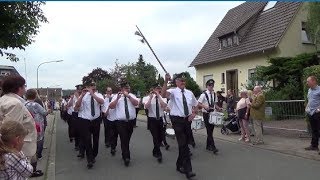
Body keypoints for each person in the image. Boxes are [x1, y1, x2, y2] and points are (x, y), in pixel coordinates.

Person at [0, 75, 39, 177]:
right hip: (18, 149)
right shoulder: (15, 103)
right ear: (19, 88)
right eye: (24, 86)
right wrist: (17, 154)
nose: (25, 89)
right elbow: (11, 131)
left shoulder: (4, 99)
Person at [161, 73, 198, 179]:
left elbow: (196, 105)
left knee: (184, 144)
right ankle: (188, 170)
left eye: (184, 81)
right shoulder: (173, 91)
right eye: (180, 81)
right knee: (183, 144)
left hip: (187, 120)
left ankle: (179, 165)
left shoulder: (189, 93)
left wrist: (194, 113)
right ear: (176, 82)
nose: (182, 82)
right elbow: (163, 94)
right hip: (177, 120)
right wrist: (165, 81)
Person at [108, 81, 139, 167]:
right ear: (121, 89)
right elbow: (111, 106)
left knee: (127, 139)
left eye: (128, 87)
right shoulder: (116, 96)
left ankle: (124, 152)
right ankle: (126, 157)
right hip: (120, 122)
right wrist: (117, 98)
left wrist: (128, 96)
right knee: (124, 138)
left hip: (131, 122)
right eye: (126, 88)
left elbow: (136, 103)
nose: (128, 89)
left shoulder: (132, 95)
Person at [75, 82, 104, 169]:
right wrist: (82, 96)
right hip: (85, 120)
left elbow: (102, 102)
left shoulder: (99, 95)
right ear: (87, 87)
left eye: (94, 86)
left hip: (96, 120)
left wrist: (93, 95)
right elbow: (76, 107)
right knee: (87, 140)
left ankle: (94, 155)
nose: (93, 87)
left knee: (96, 139)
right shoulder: (83, 96)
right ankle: (89, 159)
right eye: (91, 86)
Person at [143, 83, 167, 163]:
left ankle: (155, 150)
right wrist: (150, 98)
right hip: (152, 119)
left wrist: (159, 96)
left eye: (159, 89)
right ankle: (159, 154)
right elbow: (146, 107)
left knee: (160, 137)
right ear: (153, 89)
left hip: (160, 119)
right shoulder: (146, 98)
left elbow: (164, 106)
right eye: (156, 88)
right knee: (155, 137)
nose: (158, 90)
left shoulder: (162, 98)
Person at [25, 89, 51, 161]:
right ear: (35, 96)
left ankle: (30, 154)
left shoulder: (24, 104)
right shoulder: (36, 105)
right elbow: (44, 113)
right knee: (40, 139)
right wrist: (48, 111)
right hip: (38, 125)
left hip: (27, 124)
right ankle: (38, 155)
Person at [197, 79, 220, 154]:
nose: (211, 87)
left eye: (212, 85)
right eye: (210, 85)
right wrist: (204, 106)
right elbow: (199, 103)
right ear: (207, 86)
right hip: (206, 114)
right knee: (209, 131)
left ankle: (207, 146)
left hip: (213, 114)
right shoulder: (203, 94)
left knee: (211, 131)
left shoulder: (214, 94)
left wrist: (218, 108)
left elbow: (215, 104)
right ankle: (213, 147)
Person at [305, 76, 320, 152]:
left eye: (308, 81)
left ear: (314, 81)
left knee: (318, 130)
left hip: (317, 113)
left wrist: (319, 109)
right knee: (314, 130)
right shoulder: (309, 90)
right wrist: (307, 108)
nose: (307, 83)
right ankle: (314, 146)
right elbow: (309, 100)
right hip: (310, 113)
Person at [102, 87, 118, 155]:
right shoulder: (103, 97)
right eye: (108, 91)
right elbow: (102, 106)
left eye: (110, 90)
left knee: (113, 131)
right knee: (107, 129)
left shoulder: (114, 97)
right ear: (106, 91)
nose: (109, 92)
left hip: (113, 116)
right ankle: (107, 142)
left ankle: (112, 143)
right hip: (106, 115)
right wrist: (105, 112)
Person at [68, 85, 83, 153]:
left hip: (82, 114)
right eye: (78, 89)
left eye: (81, 89)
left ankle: (81, 145)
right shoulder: (74, 96)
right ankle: (77, 144)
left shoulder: (84, 95)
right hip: (75, 113)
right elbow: (70, 105)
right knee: (76, 130)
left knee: (82, 130)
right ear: (77, 90)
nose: (80, 91)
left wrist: (78, 96)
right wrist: (71, 98)